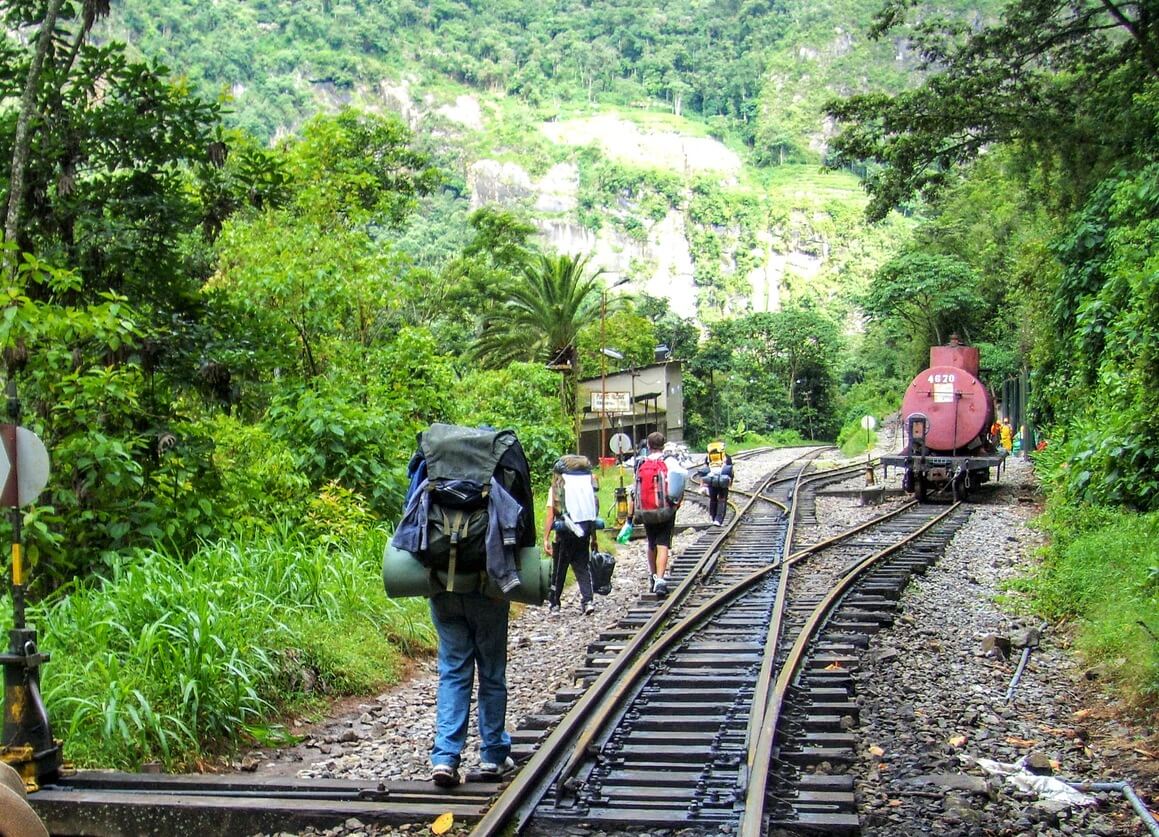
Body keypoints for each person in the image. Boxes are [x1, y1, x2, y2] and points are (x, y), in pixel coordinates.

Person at [428, 586, 515, 787]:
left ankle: (445, 758)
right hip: (489, 591)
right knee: (491, 673)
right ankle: (493, 756)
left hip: (444, 590)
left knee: (453, 674)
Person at [543, 455, 600, 617]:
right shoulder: (586, 486)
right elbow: (593, 513)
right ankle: (588, 601)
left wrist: (546, 538)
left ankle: (555, 603)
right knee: (582, 565)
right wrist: (594, 538)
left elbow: (550, 515)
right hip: (585, 529)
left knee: (560, 568)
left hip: (565, 532)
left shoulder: (558, 487)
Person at [628, 431, 680, 598]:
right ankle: (660, 579)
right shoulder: (669, 461)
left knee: (651, 542)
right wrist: (676, 503)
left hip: (646, 510)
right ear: (663, 445)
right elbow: (678, 484)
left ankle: (652, 576)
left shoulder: (640, 463)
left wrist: (631, 515)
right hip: (665, 510)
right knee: (663, 543)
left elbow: (634, 489)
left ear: (648, 446)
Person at [703, 441, 734, 526]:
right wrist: (731, 482)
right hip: (723, 481)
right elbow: (730, 470)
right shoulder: (727, 457)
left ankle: (713, 518)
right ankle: (719, 520)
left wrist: (704, 484)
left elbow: (705, 469)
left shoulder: (708, 457)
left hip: (711, 480)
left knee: (713, 499)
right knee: (722, 499)